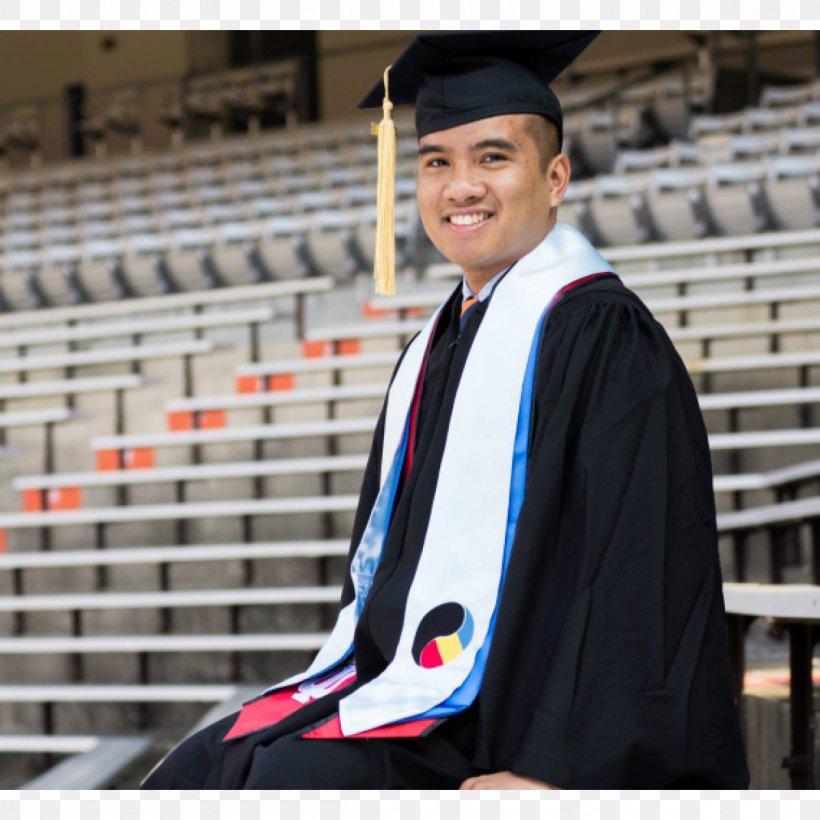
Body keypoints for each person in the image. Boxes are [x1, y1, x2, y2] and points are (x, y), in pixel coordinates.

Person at [142, 32, 750, 789]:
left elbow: (639, 565)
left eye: (493, 157)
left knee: (282, 778)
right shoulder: (436, 346)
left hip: (524, 730)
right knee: (200, 766)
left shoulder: (604, 339)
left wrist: (554, 770)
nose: (461, 186)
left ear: (555, 177)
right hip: (424, 699)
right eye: (437, 162)